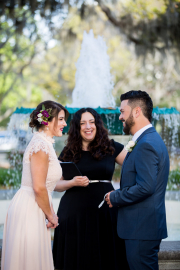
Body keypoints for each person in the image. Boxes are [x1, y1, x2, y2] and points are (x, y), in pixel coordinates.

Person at [53, 108, 130, 270]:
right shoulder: (69, 151)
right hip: (73, 216)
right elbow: (55, 185)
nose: (88, 126)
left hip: (105, 213)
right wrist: (72, 182)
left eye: (91, 122)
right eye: (83, 123)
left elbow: (135, 167)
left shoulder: (111, 147)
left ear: (97, 124)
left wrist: (123, 191)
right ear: (77, 127)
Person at [105, 90, 170, 270]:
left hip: (141, 228)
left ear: (137, 111)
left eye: (122, 112)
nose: (120, 117)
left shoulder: (146, 144)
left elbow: (145, 187)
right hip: (143, 228)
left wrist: (115, 197)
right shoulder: (148, 139)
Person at [1, 100, 68, 270]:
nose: (64, 123)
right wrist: (51, 215)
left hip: (35, 206)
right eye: (60, 119)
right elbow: (39, 188)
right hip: (31, 208)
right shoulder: (40, 145)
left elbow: (46, 185)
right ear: (47, 121)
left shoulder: (43, 143)